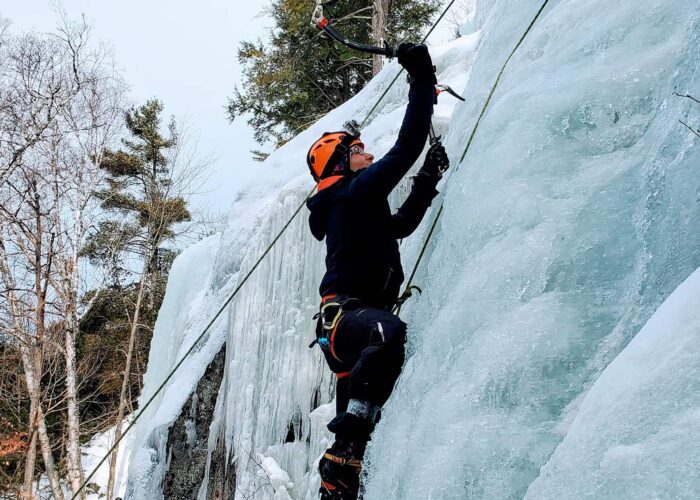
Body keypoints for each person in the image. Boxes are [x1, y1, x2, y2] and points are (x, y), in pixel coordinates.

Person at [305, 43, 449, 499]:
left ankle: (341, 474)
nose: (367, 155)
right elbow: (405, 147)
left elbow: (400, 226)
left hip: (350, 334)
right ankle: (345, 447)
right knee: (389, 335)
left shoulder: (356, 207)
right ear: (342, 164)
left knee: (354, 475)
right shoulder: (352, 193)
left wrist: (428, 179)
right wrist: (422, 81)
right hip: (353, 320)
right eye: (359, 150)